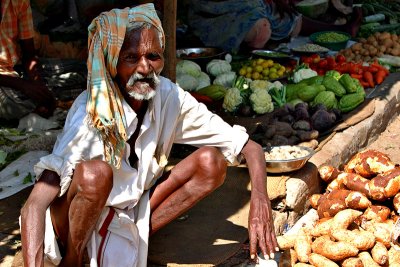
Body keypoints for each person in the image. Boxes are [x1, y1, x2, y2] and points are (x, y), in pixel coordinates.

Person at [20, 3, 278, 267]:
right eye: (131, 58)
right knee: (95, 175)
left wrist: (260, 201)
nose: (145, 68)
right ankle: (74, 262)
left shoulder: (168, 96)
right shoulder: (91, 113)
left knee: (211, 162)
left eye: (153, 56)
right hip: (76, 221)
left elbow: (249, 147)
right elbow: (34, 206)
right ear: (113, 63)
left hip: (131, 211)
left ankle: (135, 238)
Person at [0, 0, 56, 120]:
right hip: (4, 80)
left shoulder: (19, 2)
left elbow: (29, 55)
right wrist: (23, 85)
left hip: (16, 68)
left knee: (83, 69)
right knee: (11, 105)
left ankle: (43, 101)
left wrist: (38, 85)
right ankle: (50, 101)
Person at [187, 0, 303, 53]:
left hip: (256, 4)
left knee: (295, 22)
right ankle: (248, 57)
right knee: (262, 29)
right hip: (214, 8)